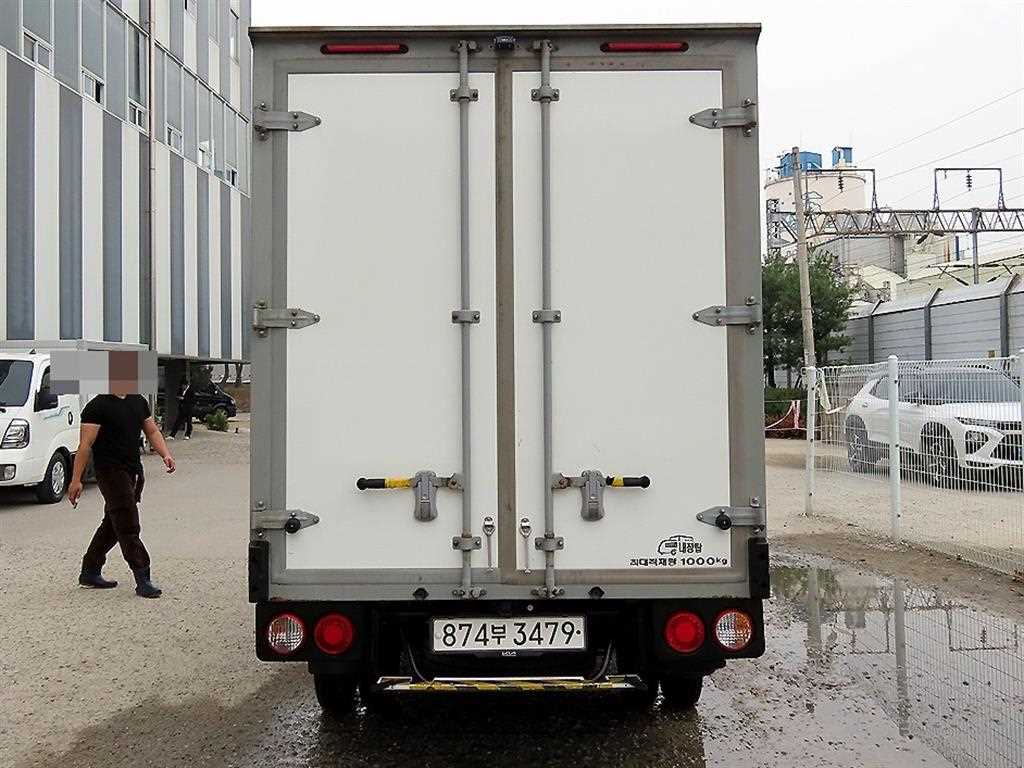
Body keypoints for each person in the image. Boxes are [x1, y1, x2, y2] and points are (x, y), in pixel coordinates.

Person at [70, 393, 176, 598]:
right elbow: (85, 445)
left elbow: (152, 430)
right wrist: (76, 479)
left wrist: (165, 454)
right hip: (109, 471)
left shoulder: (138, 401)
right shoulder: (96, 406)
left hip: (132, 470)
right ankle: (142, 576)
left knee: (113, 523)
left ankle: (90, 570)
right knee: (128, 522)